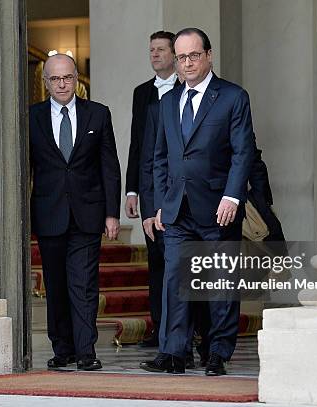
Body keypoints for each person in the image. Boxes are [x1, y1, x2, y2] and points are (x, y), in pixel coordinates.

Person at [140, 27, 258, 376]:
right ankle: (173, 353)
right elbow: (159, 157)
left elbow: (243, 152)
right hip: (177, 210)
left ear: (209, 55)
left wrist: (233, 196)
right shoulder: (166, 103)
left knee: (220, 285)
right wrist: (161, 202)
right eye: (181, 57)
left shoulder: (233, 97)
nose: (187, 62)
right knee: (175, 280)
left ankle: (217, 352)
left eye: (194, 55)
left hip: (218, 208)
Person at [29, 54, 121, 371]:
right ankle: (63, 348)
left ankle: (86, 351)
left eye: (67, 77)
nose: (62, 84)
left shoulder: (98, 114)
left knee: (83, 283)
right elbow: (24, 169)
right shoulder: (32, 117)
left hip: (88, 213)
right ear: (46, 83)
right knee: (55, 285)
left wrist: (112, 214)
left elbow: (109, 166)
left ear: (77, 77)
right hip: (48, 212)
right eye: (55, 79)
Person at [125, 30, 178, 347]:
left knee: (182, 261)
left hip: (180, 188)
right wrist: (132, 189)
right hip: (150, 188)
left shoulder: (188, 88)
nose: (155, 55)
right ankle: (160, 329)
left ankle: (186, 330)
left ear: (174, 54)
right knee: (156, 261)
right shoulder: (141, 92)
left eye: (160, 49)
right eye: (152, 50)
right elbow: (137, 144)